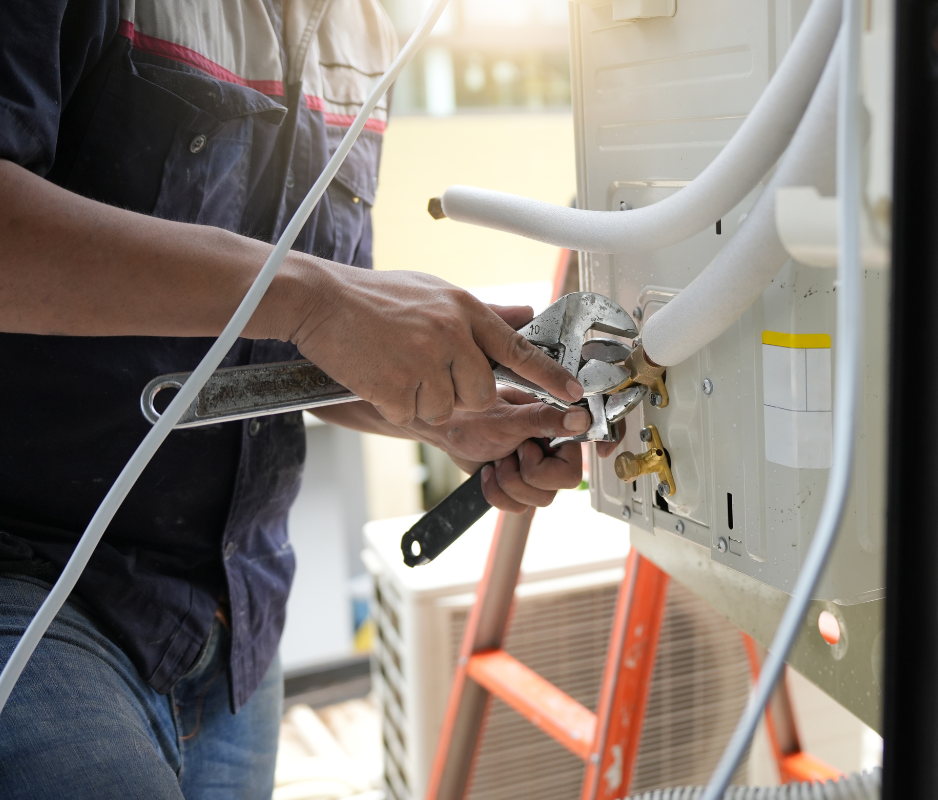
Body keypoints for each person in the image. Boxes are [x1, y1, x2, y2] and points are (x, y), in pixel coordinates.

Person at [0, 2, 613, 797]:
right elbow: (307, 307)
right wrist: (317, 297)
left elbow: (301, 345)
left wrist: (447, 419)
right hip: (31, 580)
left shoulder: (367, 29)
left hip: (233, 632)